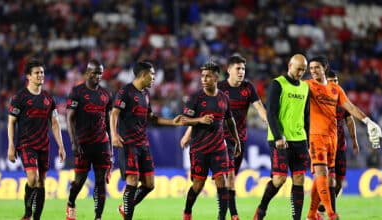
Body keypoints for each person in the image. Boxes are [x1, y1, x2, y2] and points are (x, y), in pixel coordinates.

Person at [180, 55, 267, 220]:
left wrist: (268, 121)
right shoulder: (217, 88)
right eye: (238, 68)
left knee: (229, 177)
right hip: (219, 139)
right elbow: (199, 114)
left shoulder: (248, 88)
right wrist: (187, 134)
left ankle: (229, 214)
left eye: (243, 69)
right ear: (229, 70)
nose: (241, 72)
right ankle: (232, 214)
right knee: (225, 177)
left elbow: (259, 107)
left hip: (237, 138)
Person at [306, 55, 382, 220]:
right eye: (310, 68)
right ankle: (331, 213)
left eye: (316, 68)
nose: (312, 71)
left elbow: (351, 108)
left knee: (326, 177)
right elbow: (290, 88)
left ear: (324, 68)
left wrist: (368, 121)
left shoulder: (336, 90)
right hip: (315, 136)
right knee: (322, 173)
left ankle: (312, 214)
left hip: (333, 139)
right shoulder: (307, 86)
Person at [110, 61, 183, 220]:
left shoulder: (145, 95)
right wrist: (114, 134)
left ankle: (124, 208)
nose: (154, 78)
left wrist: (172, 122)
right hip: (128, 143)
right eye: (152, 74)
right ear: (143, 74)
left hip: (143, 144)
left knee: (149, 184)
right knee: (133, 180)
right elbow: (114, 113)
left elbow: (150, 118)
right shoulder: (125, 91)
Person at [180, 61, 241, 220]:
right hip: (199, 148)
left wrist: (237, 140)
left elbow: (230, 121)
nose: (204, 79)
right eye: (202, 76)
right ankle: (187, 211)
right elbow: (184, 120)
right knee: (198, 185)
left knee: (222, 180)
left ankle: (221, 217)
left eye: (207, 76)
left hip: (219, 148)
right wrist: (199, 120)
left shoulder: (223, 98)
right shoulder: (196, 97)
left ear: (216, 77)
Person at [7, 59, 66, 220]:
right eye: (37, 73)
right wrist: (11, 146)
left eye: (42, 72)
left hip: (44, 145)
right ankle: (27, 212)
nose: (40, 75)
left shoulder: (48, 98)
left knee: (41, 182)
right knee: (32, 177)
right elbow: (11, 122)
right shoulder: (20, 97)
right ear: (28, 76)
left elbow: (54, 123)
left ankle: (36, 217)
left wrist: (61, 146)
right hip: (26, 144)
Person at [253, 54, 310, 220]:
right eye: (298, 68)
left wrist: (310, 139)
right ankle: (262, 208)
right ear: (290, 65)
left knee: (299, 178)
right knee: (279, 179)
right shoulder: (278, 84)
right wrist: (278, 136)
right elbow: (270, 112)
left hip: (300, 139)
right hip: (280, 140)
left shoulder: (305, 88)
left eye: (303, 70)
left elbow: (306, 116)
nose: (300, 72)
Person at [65, 59, 113, 220]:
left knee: (101, 182)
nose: (98, 76)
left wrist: (111, 148)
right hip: (83, 144)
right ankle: (71, 202)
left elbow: (108, 123)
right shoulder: (77, 92)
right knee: (80, 181)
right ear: (87, 73)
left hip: (101, 144)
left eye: (100, 73)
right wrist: (74, 143)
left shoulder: (106, 94)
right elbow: (69, 118)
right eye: (95, 72)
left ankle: (98, 217)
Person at [317, 70, 360, 218]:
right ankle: (330, 213)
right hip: (325, 147)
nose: (334, 83)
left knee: (339, 184)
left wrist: (354, 140)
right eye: (330, 81)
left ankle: (321, 208)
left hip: (340, 146)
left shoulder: (341, 100)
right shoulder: (319, 100)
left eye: (335, 80)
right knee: (330, 180)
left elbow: (349, 119)